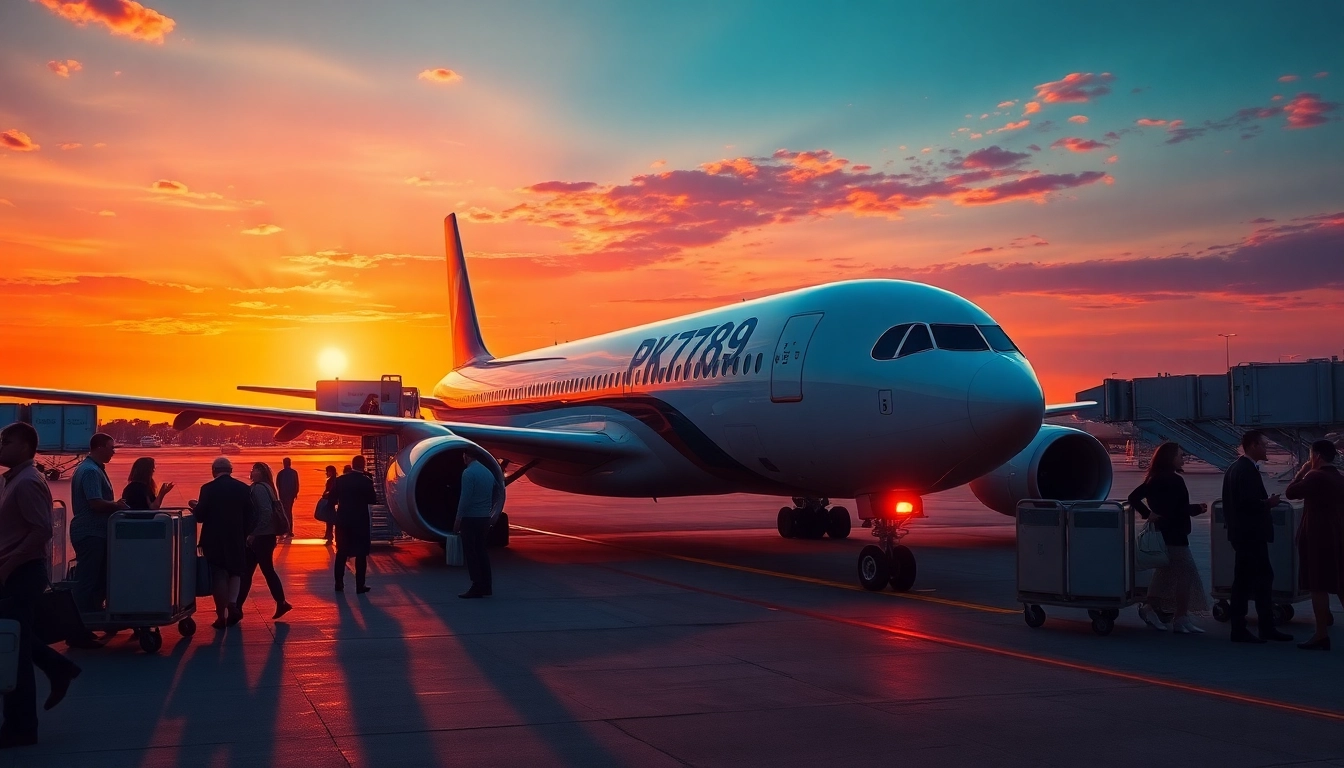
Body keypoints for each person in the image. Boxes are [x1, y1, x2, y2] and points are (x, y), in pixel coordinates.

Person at [0, 422, 82, 749]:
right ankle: (58, 666)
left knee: (13, 649)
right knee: (14, 638)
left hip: (20, 573)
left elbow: (41, 530)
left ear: (24, 447)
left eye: (5, 441)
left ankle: (21, 728)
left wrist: (8, 564)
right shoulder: (14, 480)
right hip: (14, 570)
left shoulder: (27, 482)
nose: (0, 446)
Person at [1128, 442, 1209, 633]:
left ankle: (1153, 609)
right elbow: (1177, 510)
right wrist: (1197, 508)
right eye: (1180, 455)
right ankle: (1180, 617)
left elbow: (1134, 497)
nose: (1183, 458)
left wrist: (1148, 513)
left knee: (1166, 573)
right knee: (1185, 573)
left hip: (1166, 532)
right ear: (1170, 458)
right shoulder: (1172, 480)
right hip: (1175, 533)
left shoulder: (1155, 478)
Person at [1222, 430, 1293, 643]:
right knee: (1256, 580)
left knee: (1247, 580)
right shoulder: (1246, 471)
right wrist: (1267, 504)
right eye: (1263, 444)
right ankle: (1254, 627)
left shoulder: (1235, 468)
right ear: (1253, 445)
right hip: (1250, 534)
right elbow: (1247, 504)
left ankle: (1253, 625)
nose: (1266, 448)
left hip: (1242, 534)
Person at [1284, 439, 1344, 651]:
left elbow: (1290, 492)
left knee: (1318, 586)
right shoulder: (1338, 477)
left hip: (1318, 538)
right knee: (1339, 584)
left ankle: (1320, 635)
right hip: (1337, 535)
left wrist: (1303, 471)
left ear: (1316, 456)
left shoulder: (1315, 477)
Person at [68, 433, 127, 647]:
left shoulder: (91, 468)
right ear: (100, 447)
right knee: (87, 580)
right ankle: (77, 630)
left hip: (94, 532)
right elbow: (95, 503)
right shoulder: (91, 471)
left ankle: (89, 622)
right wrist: (117, 505)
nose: (113, 451)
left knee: (95, 578)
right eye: (111, 447)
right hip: (91, 532)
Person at [191, 457, 254, 629]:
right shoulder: (243, 488)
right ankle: (232, 604)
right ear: (230, 470)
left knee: (218, 574)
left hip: (214, 539)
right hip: (236, 538)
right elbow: (251, 515)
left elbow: (200, 516)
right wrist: (245, 534)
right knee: (235, 572)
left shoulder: (208, 489)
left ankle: (221, 616)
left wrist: (195, 508)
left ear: (214, 470)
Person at [236, 463, 292, 621]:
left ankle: (238, 608)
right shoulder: (268, 487)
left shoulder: (259, 488)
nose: (252, 472)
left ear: (261, 473)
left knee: (251, 572)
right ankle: (238, 607)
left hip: (261, 537)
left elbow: (265, 512)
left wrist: (254, 533)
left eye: (255, 469)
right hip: (267, 537)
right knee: (260, 571)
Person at [455, 452, 504, 599]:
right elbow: (499, 489)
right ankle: (486, 585)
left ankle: (476, 585)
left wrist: (458, 520)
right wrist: (492, 509)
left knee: (471, 553)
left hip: (470, 518)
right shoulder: (486, 471)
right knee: (482, 552)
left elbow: (464, 499)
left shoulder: (468, 473)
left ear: (466, 456)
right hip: (484, 518)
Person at [331, 455, 377, 594]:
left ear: (352, 464)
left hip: (343, 520)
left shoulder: (340, 480)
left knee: (341, 553)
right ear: (363, 465)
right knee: (361, 554)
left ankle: (339, 583)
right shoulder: (366, 481)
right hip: (360, 521)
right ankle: (360, 585)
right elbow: (373, 500)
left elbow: (332, 499)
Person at [276, 457, 298, 542]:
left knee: (284, 512)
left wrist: (280, 494)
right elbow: (296, 484)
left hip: (283, 495)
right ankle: (289, 531)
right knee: (289, 512)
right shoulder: (294, 473)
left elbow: (278, 485)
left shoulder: (281, 473)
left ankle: (284, 531)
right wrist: (295, 493)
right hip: (290, 496)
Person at [320, 465, 338, 543]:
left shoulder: (331, 480)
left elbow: (329, 491)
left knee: (329, 518)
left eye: (327, 471)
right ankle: (328, 534)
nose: (326, 473)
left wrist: (325, 495)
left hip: (330, 501)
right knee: (329, 518)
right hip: (333, 501)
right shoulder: (335, 480)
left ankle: (329, 535)